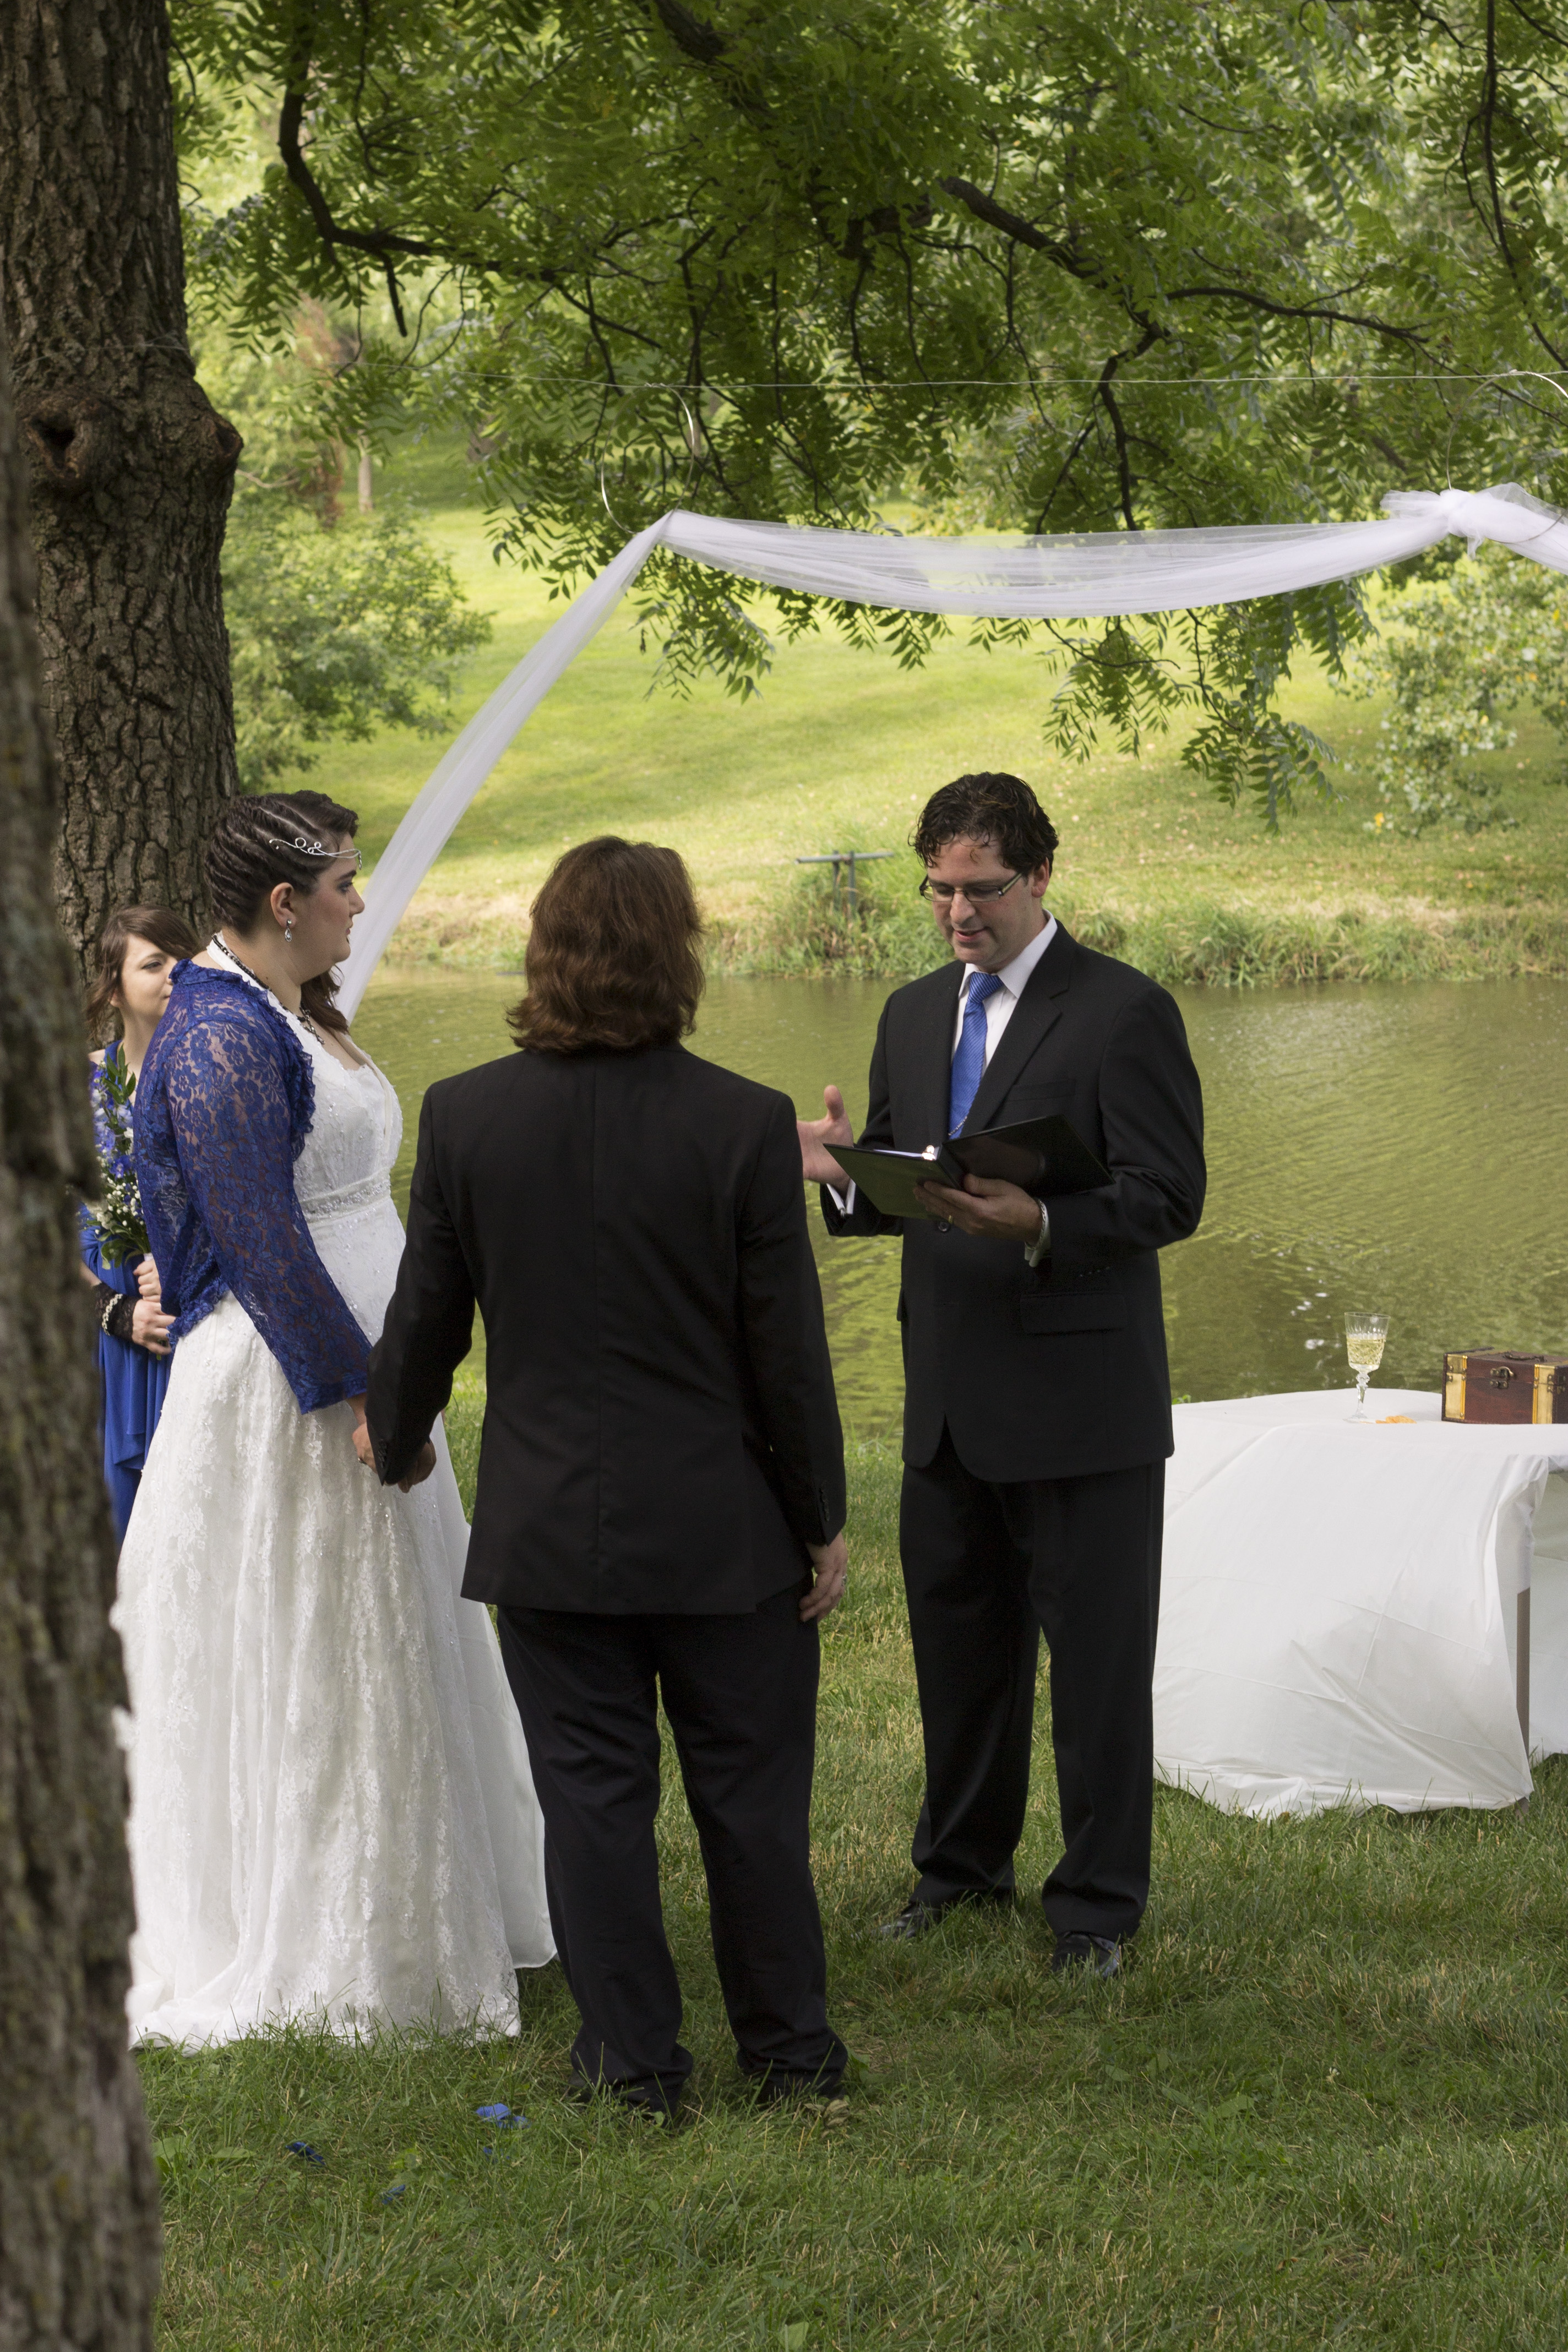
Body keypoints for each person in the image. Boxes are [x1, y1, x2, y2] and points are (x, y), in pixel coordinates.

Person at [367, 835, 850, 2116]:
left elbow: (425, 1316)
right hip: (721, 1530)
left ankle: (632, 2068)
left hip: (547, 1527)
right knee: (749, 1799)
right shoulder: (741, 1121)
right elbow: (785, 1354)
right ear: (676, 953)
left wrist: (396, 1434)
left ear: (545, 949)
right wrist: (820, 1522)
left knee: (590, 1799)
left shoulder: (465, 1113)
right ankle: (789, 2056)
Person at [116, 788, 552, 2047]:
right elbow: (257, 1241)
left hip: (365, 1353)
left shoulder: (286, 1008)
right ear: (284, 901)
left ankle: (430, 1904)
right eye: (345, 883)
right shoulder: (216, 1032)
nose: (361, 902)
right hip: (292, 1385)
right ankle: (331, 1937)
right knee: (319, 1643)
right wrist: (364, 1395)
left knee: (395, 1635)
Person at [798, 772, 1205, 1978]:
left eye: (979, 889)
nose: (957, 913)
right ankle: (958, 1873)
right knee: (959, 1660)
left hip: (1083, 1407)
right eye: (937, 889)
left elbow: (1168, 1195)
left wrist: (1042, 1221)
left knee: (1095, 1674)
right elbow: (908, 1187)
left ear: (1040, 874)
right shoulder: (913, 1011)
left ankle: (1095, 1909)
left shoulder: (1123, 1010)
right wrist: (841, 1173)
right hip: (947, 1405)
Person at [80, 906, 195, 1540]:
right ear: (114, 990)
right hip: (113, 1338)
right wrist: (115, 1311)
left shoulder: (210, 1075)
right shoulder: (78, 1084)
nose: (175, 972)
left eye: (182, 958)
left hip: (196, 1316)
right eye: (154, 963)